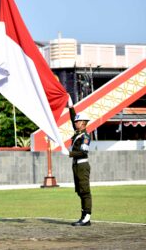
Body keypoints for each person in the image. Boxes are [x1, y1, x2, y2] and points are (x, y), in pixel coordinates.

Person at [67, 96, 92, 226]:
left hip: (82, 165)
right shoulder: (78, 133)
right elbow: (72, 119)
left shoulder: (85, 136)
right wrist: (71, 108)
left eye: (77, 122)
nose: (75, 123)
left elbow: (83, 152)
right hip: (76, 166)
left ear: (83, 123)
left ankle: (86, 217)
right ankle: (83, 216)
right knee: (80, 191)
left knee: (85, 191)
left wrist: (69, 153)